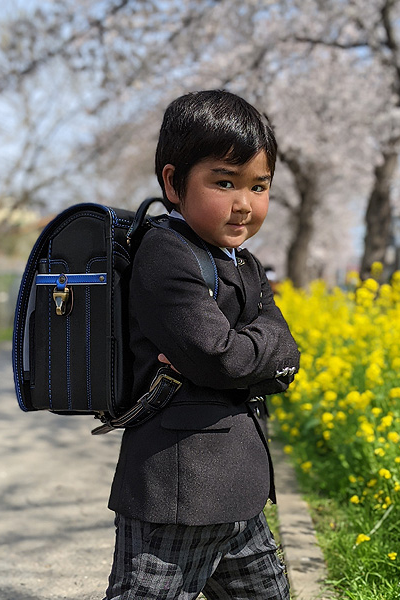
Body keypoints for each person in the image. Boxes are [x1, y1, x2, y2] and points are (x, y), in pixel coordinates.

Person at [103, 90, 300, 600]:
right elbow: (221, 357)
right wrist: (256, 352)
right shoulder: (165, 253)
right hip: (178, 493)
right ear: (173, 182)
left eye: (259, 186)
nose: (244, 204)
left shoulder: (245, 263)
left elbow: (285, 351)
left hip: (239, 491)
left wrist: (255, 353)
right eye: (224, 182)